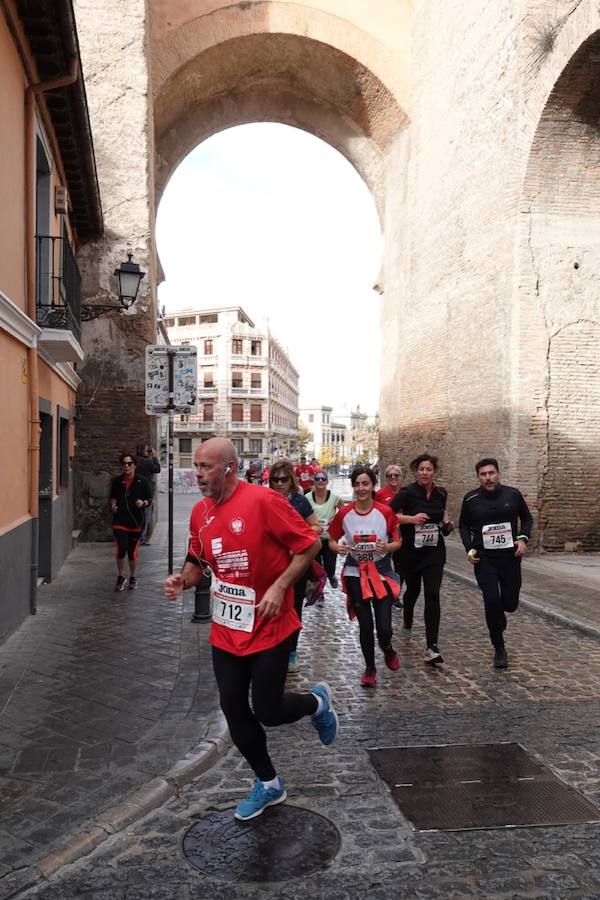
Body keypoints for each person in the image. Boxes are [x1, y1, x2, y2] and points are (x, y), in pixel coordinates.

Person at [164, 438, 337, 821]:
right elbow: (197, 561)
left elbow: (309, 545)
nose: (199, 473)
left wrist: (279, 586)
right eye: (197, 465)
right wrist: (184, 580)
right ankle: (269, 783)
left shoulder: (264, 502)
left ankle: (317, 702)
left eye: (206, 466)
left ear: (228, 467)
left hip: (270, 626)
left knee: (269, 710)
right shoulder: (200, 513)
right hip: (227, 629)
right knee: (233, 709)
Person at [328, 466, 402, 687]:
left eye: (365, 484)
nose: (361, 488)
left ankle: (387, 648)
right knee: (365, 625)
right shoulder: (344, 513)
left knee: (384, 627)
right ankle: (370, 668)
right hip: (355, 574)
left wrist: (386, 546)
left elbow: (398, 542)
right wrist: (336, 549)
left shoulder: (385, 512)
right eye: (357, 484)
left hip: (381, 574)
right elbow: (331, 538)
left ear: (372, 486)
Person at [458, 458, 533, 669]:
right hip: (484, 558)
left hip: (509, 558)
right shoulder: (471, 499)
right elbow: (463, 526)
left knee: (510, 604)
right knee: (491, 600)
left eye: (491, 473)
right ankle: (499, 648)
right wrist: (468, 548)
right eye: (483, 474)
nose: (488, 478)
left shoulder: (513, 494)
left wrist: (523, 538)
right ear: (478, 477)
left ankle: (500, 617)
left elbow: (527, 520)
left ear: (498, 474)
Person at [390, 454, 454, 665]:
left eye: (429, 469)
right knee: (413, 591)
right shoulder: (407, 493)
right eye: (421, 469)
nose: (425, 473)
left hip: (434, 552)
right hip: (409, 552)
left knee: (433, 594)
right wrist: (411, 519)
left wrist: (447, 523)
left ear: (434, 471)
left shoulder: (441, 493)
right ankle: (407, 618)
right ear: (416, 472)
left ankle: (431, 647)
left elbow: (442, 512)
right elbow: (388, 514)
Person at [269, 459, 323, 670]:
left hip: (297, 565)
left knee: (293, 609)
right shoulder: (265, 500)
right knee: (272, 607)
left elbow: (316, 527)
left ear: (290, 480)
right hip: (272, 564)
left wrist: (301, 538)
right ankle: (272, 649)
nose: (279, 483)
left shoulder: (300, 502)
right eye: (275, 479)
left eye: (283, 479)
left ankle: (291, 651)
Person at [110, 452, 152, 591]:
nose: (126, 466)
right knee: (121, 548)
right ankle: (121, 576)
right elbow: (113, 497)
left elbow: (150, 500)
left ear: (134, 465)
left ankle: (133, 577)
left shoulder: (142, 481)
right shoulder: (117, 482)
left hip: (136, 522)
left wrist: (143, 503)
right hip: (120, 520)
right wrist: (113, 505)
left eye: (129, 464)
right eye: (124, 464)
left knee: (132, 552)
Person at [306, 470, 343, 593]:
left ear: (327, 481)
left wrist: (336, 522)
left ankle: (331, 576)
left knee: (329, 568)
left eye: (323, 479)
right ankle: (319, 592)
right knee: (316, 569)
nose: (320, 481)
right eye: (318, 479)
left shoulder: (335, 498)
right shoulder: (307, 498)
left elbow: (345, 513)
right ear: (314, 481)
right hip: (314, 540)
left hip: (329, 539)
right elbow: (301, 516)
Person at [135, 442, 161, 545]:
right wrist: (155, 457)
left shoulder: (134, 461)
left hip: (135, 490)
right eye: (147, 450)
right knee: (145, 514)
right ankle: (141, 537)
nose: (148, 452)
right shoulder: (148, 462)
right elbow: (157, 469)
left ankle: (136, 535)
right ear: (143, 451)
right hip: (146, 492)